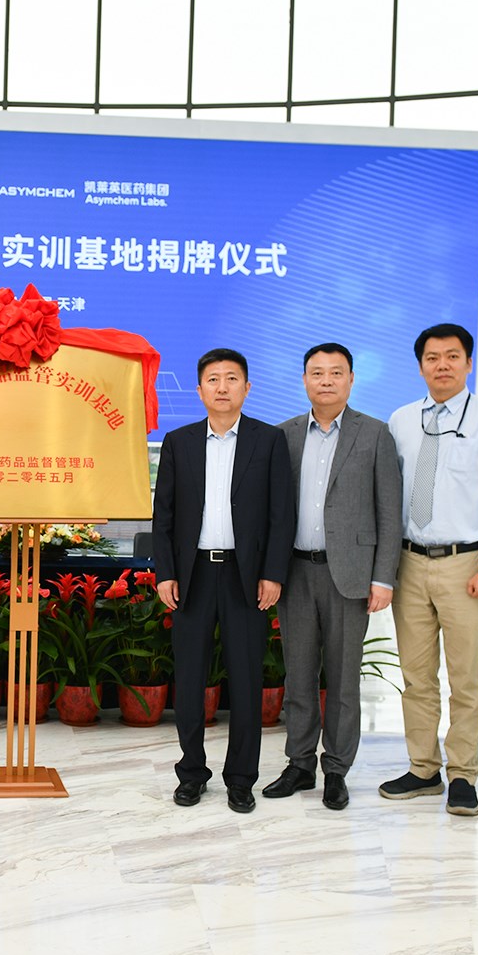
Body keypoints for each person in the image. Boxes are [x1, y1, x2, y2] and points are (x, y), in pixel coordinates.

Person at [383, 323, 478, 817]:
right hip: (408, 562)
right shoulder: (400, 420)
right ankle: (423, 768)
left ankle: (463, 774)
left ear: (468, 363)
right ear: (420, 365)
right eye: (432, 357)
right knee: (416, 676)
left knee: (466, 678)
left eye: (452, 356)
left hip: (468, 563)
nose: (442, 365)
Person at [152, 348, 293, 814]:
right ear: (199, 390)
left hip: (244, 577)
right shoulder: (179, 442)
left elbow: (281, 515)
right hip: (192, 575)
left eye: (232, 378)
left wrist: (273, 573)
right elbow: (164, 515)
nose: (222, 387)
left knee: (247, 680)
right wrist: (165, 573)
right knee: (190, 679)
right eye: (213, 379)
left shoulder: (268, 441)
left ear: (247, 388)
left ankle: (241, 779)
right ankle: (192, 773)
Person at [265, 343, 402, 812]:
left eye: (336, 372)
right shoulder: (283, 435)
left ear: (351, 379)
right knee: (299, 674)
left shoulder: (376, 434)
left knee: (344, 680)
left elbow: (389, 513)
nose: (326, 380)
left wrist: (383, 578)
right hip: (295, 572)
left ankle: (337, 769)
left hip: (351, 575)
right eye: (317, 372)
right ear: (304, 379)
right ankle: (300, 763)